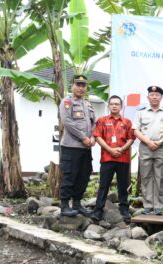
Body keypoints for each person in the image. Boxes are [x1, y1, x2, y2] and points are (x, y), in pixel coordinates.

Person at [91, 95, 135, 222]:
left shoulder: (127, 122)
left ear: (121, 107)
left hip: (123, 158)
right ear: (108, 106)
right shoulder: (102, 120)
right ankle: (98, 211)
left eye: (117, 104)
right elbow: (98, 137)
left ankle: (124, 210)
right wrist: (110, 150)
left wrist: (121, 149)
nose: (114, 106)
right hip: (107, 158)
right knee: (104, 185)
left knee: (123, 185)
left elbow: (131, 138)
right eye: (112, 104)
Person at [133, 86, 163, 215]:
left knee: (160, 177)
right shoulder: (141, 112)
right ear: (148, 97)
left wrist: (160, 142)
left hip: (161, 148)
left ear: (161, 97)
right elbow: (135, 130)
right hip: (145, 147)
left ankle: (158, 206)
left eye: (157, 95)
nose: (154, 97)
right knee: (146, 177)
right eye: (152, 95)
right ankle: (148, 205)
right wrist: (148, 142)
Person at [59, 75, 95, 217]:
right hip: (71, 147)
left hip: (86, 148)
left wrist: (92, 137)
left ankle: (77, 204)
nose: (80, 88)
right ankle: (64, 205)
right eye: (78, 84)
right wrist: (83, 138)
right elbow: (68, 122)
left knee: (83, 175)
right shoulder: (67, 102)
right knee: (70, 176)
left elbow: (94, 123)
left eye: (83, 85)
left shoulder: (88, 104)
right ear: (72, 86)